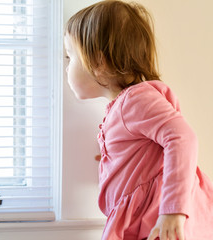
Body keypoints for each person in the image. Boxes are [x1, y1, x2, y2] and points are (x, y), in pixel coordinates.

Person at [64, 0, 213, 239]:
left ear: (98, 62)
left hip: (155, 220)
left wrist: (172, 211)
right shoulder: (123, 107)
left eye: (69, 57)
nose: (67, 66)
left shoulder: (134, 100)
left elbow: (183, 137)